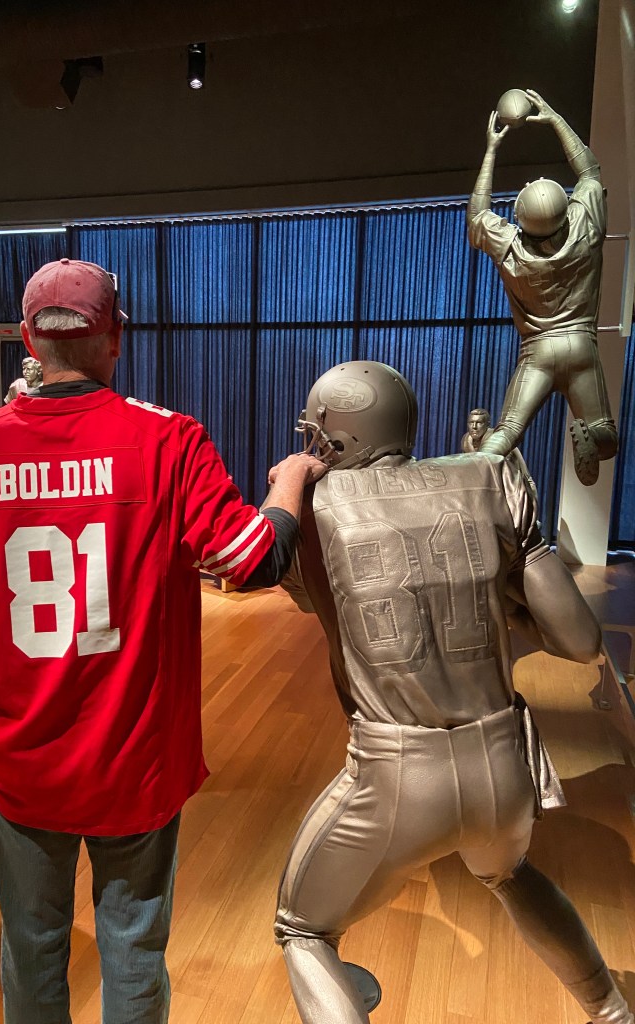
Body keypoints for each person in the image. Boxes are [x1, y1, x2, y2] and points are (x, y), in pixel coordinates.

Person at [0, 258, 326, 1024]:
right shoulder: (168, 440)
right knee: (133, 951)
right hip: (137, 758)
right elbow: (251, 560)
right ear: (116, 337)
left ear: (28, 337)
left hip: (24, 761)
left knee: (32, 950)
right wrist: (292, 478)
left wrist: (4, 682)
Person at [273, 359, 633, 1024]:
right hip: (505, 762)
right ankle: (611, 1011)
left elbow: (304, 592)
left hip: (397, 768)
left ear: (332, 433)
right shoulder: (488, 477)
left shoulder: (311, 505)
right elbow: (581, 641)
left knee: (303, 928)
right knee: (508, 872)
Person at [467, 89, 618, 486]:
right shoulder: (585, 226)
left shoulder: (511, 246)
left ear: (520, 217)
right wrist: (555, 120)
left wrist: (491, 150)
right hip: (581, 344)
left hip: (537, 351)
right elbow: (590, 171)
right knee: (607, 437)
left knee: (506, 432)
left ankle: (470, 479)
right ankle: (593, 438)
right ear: (565, 209)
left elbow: (478, 214)